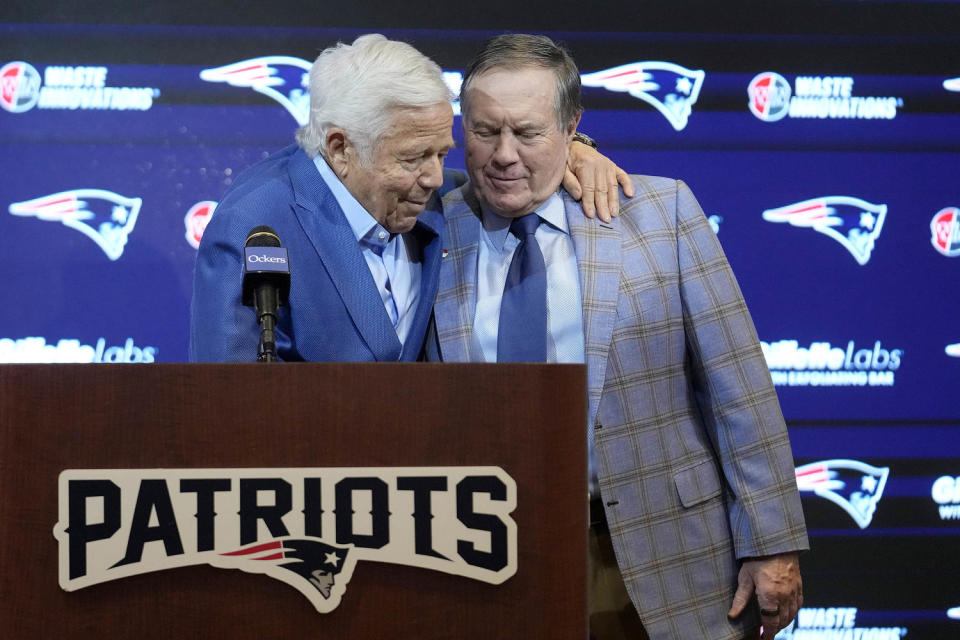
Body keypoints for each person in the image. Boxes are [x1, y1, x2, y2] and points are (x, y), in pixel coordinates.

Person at [428, 34, 809, 640]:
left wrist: (773, 540)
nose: (503, 155)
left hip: (659, 554)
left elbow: (739, 387)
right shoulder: (425, 228)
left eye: (527, 133)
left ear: (572, 127)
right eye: (484, 130)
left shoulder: (660, 213)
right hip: (481, 558)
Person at [190, 34, 631, 362]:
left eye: (441, 152)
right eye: (414, 157)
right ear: (341, 148)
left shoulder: (436, 197)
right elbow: (224, 404)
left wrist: (577, 149)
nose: (435, 177)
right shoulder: (255, 223)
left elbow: (519, 168)